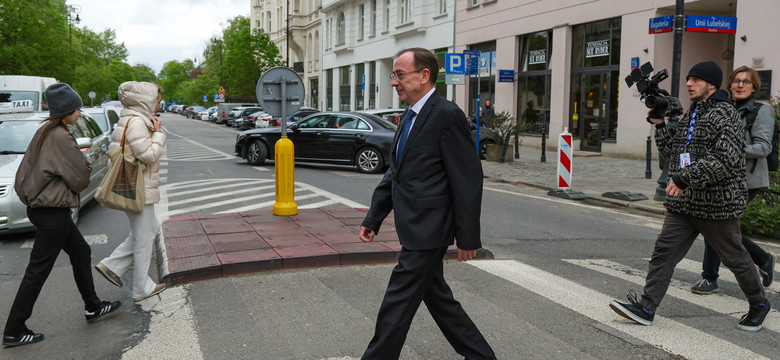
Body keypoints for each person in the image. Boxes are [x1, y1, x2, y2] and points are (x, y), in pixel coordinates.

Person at [609, 61, 771, 332]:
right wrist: (660, 125)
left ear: (711, 84)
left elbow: (726, 158)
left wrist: (685, 178)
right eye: (688, 78)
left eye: (695, 79)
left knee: (736, 259)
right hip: (683, 202)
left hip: (716, 204)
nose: (688, 83)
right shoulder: (693, 112)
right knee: (664, 253)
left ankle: (759, 304)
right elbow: (673, 152)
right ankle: (646, 307)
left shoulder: (725, 114)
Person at [358, 48, 496, 359]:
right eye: (394, 75)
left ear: (424, 75)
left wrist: (467, 237)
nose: (395, 82)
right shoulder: (408, 116)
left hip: (430, 228)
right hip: (417, 226)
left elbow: (468, 179)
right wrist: (373, 217)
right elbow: (397, 171)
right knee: (441, 302)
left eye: (400, 74)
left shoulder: (446, 114)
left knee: (397, 302)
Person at [4, 83, 121, 348]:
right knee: (38, 270)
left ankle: (93, 307)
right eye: (76, 108)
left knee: (80, 252)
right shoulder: (60, 136)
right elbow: (80, 179)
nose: (79, 112)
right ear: (65, 111)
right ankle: (14, 329)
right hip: (52, 212)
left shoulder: (45, 132)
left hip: (44, 209)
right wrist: (85, 163)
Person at [691, 66, 777, 295]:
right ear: (729, 85)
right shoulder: (723, 108)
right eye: (737, 81)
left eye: (746, 82)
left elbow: (763, 147)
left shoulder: (762, 111)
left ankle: (710, 277)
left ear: (755, 87)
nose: (740, 85)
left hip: (748, 179)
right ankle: (763, 258)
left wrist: (728, 149)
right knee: (720, 225)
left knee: (716, 224)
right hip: (721, 176)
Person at [94, 81, 167, 302]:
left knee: (149, 230)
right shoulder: (137, 122)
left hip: (136, 185)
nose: (159, 104)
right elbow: (149, 156)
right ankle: (141, 287)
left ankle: (112, 265)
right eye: (156, 100)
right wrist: (158, 134)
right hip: (138, 187)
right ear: (144, 100)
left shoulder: (129, 119)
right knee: (145, 236)